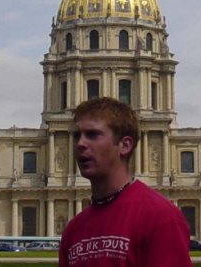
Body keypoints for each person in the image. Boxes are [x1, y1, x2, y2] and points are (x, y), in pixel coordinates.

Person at [59, 97, 192, 266]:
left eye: (93, 134)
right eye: (76, 135)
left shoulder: (160, 218)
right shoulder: (73, 230)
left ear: (125, 145)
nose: (80, 144)